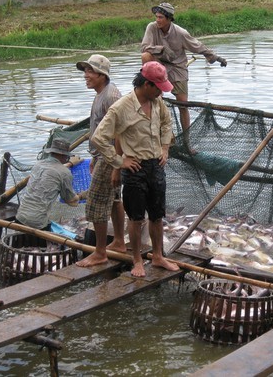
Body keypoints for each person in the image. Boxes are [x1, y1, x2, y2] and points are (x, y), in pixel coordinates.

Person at [91, 61, 180, 277]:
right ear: (147, 84)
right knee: (136, 217)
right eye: (158, 87)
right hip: (135, 168)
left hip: (156, 165)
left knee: (157, 215)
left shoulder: (158, 102)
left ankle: (158, 256)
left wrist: (165, 148)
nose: (161, 92)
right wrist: (119, 162)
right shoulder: (121, 107)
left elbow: (167, 124)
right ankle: (137, 260)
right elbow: (99, 138)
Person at [140, 2, 227, 141]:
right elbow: (144, 47)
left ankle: (186, 140)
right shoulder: (152, 27)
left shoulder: (180, 33)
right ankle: (152, 86)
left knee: (183, 104)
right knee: (146, 57)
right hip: (159, 66)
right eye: (156, 17)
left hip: (177, 67)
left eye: (161, 17)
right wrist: (160, 49)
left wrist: (216, 58)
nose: (157, 20)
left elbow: (198, 46)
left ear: (169, 19)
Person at [75, 54, 126, 267]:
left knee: (95, 203)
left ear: (101, 75)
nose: (85, 75)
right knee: (114, 200)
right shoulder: (100, 94)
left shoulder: (111, 96)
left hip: (110, 156)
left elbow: (120, 133)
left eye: (89, 71)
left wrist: (116, 164)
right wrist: (94, 158)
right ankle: (119, 242)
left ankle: (100, 252)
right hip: (103, 156)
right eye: (85, 71)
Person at [16, 139, 79, 230]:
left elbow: (53, 170)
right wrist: (81, 196)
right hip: (38, 223)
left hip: (20, 217)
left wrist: (69, 164)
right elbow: (70, 201)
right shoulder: (64, 172)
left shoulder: (38, 165)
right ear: (64, 155)